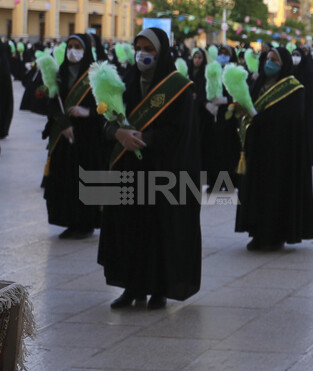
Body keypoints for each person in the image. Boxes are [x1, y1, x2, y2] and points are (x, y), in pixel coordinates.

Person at [98, 28, 201, 310]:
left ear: (162, 51)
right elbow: (107, 120)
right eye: (139, 47)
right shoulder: (124, 82)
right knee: (129, 230)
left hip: (163, 170)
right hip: (128, 170)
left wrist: (145, 139)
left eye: (150, 49)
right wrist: (117, 134)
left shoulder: (179, 87)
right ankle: (132, 288)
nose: (143, 53)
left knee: (159, 231)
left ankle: (159, 289)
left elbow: (182, 133)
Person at [234, 45, 313, 252]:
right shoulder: (258, 83)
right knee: (256, 193)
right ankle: (257, 232)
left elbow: (291, 118)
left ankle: (275, 235)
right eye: (268, 59)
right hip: (257, 150)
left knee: (276, 195)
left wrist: (259, 118)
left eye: (275, 60)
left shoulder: (293, 88)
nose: (270, 63)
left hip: (280, 152)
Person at [42, 33, 106, 239]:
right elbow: (53, 102)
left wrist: (88, 111)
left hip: (88, 137)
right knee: (63, 178)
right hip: (64, 135)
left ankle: (86, 222)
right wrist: (63, 123)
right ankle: (68, 220)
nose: (72, 50)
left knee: (84, 179)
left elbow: (108, 104)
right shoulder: (59, 73)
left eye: (78, 46)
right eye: (70, 46)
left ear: (86, 49)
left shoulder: (97, 75)